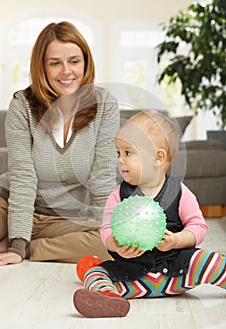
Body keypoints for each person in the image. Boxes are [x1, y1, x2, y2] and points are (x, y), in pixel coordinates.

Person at [73, 110, 226, 318]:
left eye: (128, 153)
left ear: (158, 157)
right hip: (134, 276)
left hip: (177, 271)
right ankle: (110, 297)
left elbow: (198, 226)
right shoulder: (118, 195)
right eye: (118, 153)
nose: (120, 160)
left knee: (209, 259)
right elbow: (106, 228)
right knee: (95, 272)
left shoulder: (179, 192)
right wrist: (114, 244)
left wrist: (177, 240)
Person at [0, 21, 120, 266]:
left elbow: (103, 175)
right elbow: (22, 176)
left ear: (86, 62)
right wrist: (19, 235)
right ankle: (15, 238)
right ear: (42, 66)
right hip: (14, 209)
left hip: (68, 219)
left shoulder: (104, 104)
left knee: (113, 245)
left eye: (74, 61)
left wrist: (104, 228)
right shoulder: (22, 104)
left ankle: (31, 248)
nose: (66, 71)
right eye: (55, 63)